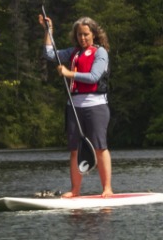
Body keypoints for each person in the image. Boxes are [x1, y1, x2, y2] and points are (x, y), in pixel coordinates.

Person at [39, 12, 113, 198]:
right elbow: (49, 54)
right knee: (74, 150)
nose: (83, 38)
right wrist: (49, 31)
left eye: (86, 34)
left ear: (94, 34)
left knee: (99, 147)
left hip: (96, 105)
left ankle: (107, 188)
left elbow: (94, 77)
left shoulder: (101, 52)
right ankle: (75, 190)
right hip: (74, 105)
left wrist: (69, 74)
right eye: (80, 34)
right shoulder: (73, 53)